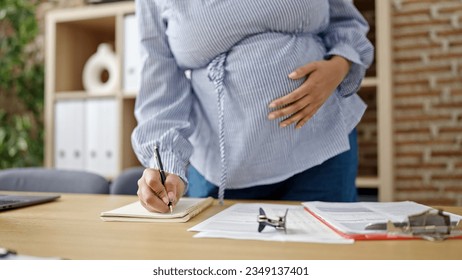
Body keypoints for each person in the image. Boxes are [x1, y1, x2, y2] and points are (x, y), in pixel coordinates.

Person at [132, 0, 374, 213]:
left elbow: (345, 22)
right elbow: (159, 81)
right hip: (222, 168)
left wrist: (339, 66)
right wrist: (166, 164)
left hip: (321, 147)